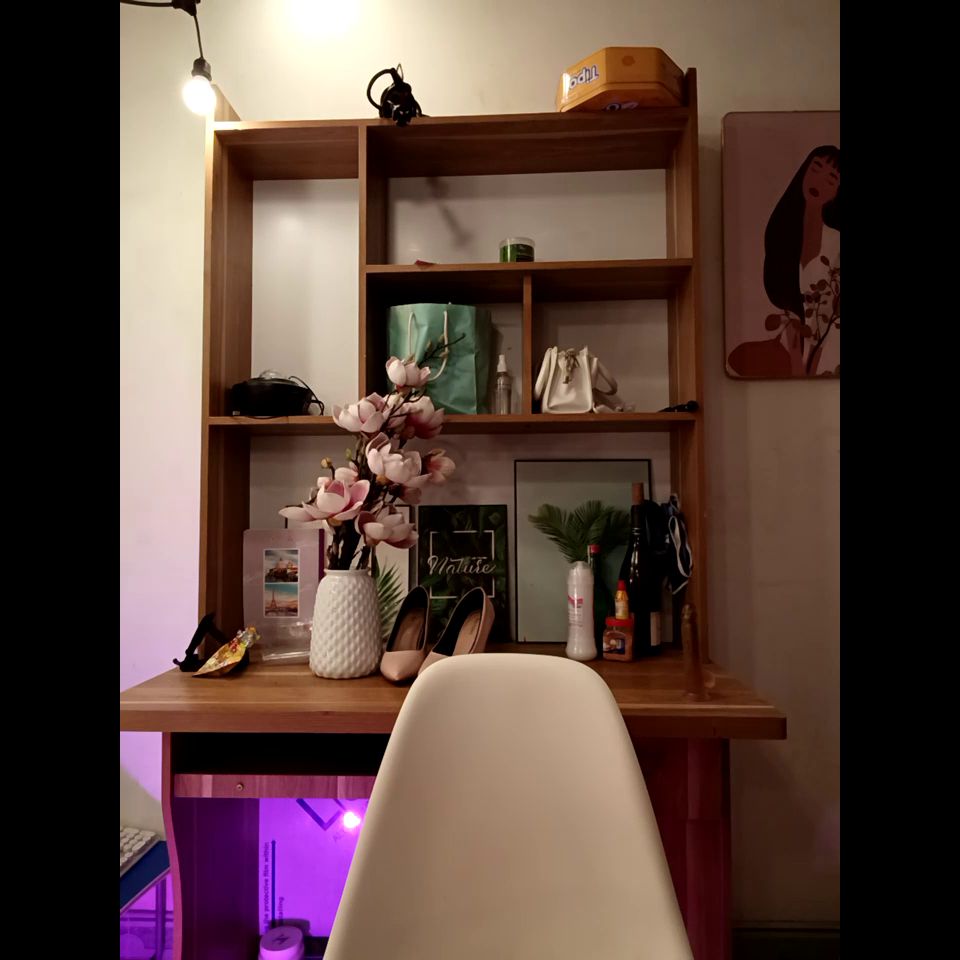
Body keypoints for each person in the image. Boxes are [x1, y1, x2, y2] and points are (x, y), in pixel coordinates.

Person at [728, 145, 840, 377]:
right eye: (815, 169)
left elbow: (827, 318)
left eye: (830, 179)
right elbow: (791, 310)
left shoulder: (836, 244)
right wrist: (798, 370)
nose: (819, 181)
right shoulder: (783, 233)